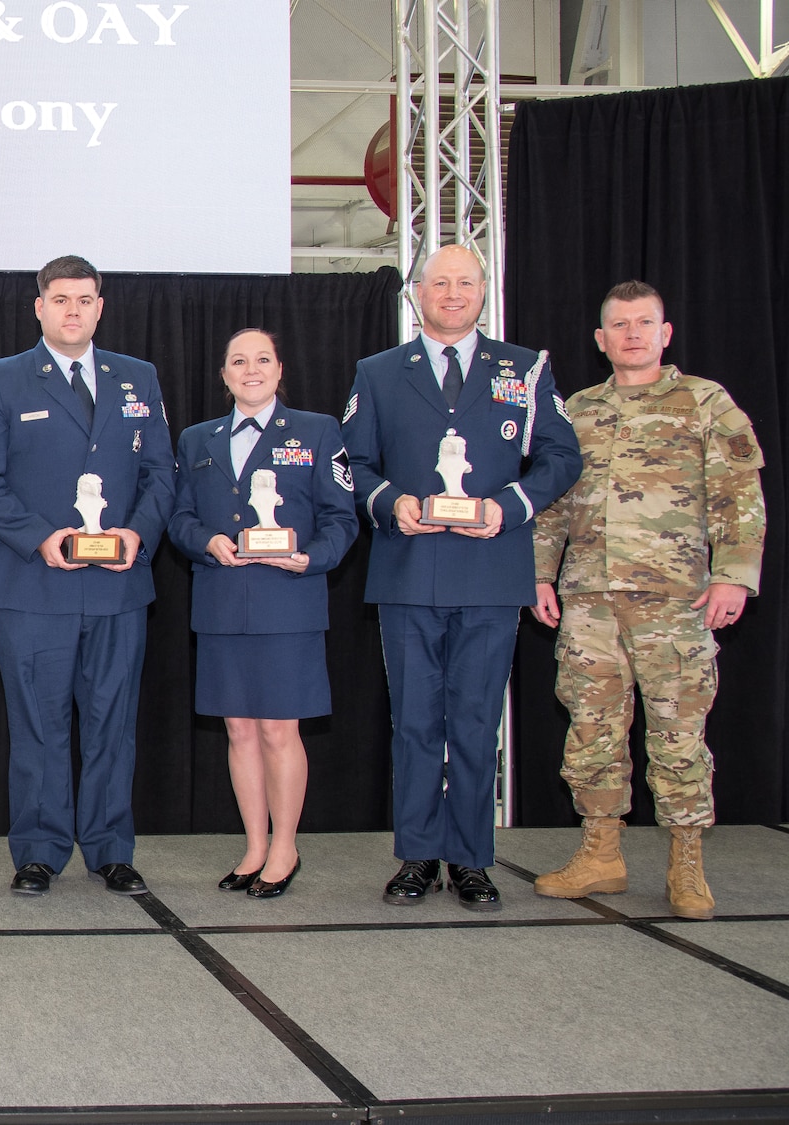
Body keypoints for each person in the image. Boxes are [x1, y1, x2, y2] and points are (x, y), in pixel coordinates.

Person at [342, 244, 581, 910]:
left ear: (483, 289)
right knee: (416, 720)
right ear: (417, 292)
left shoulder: (525, 369)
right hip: (409, 572)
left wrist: (509, 507)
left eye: (465, 282)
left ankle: (472, 859)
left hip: (491, 570)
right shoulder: (379, 372)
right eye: (439, 282)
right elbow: (352, 464)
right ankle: (417, 854)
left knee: (474, 722)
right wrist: (391, 501)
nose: (452, 293)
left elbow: (562, 457)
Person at [530, 281, 764, 920]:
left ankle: (686, 862)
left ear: (664, 333)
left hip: (676, 601)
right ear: (601, 340)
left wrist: (734, 576)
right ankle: (601, 855)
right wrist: (540, 574)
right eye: (618, 325)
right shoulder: (575, 410)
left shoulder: (704, 402)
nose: (631, 333)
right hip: (589, 601)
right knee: (593, 730)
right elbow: (553, 502)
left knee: (678, 734)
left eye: (644, 322)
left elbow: (738, 494)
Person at [0, 255, 176, 897]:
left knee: (112, 721)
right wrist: (38, 537)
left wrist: (139, 531)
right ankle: (40, 850)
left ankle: (110, 848)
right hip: (32, 586)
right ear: (39, 307)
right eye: (60, 299)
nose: (73, 310)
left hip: (118, 584)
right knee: (38, 723)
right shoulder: (0, 380)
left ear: (100, 306)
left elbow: (162, 472)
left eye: (84, 299)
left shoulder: (138, 378)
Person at [167, 329, 357, 899]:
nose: (251, 370)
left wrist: (310, 558)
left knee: (279, 730)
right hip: (223, 604)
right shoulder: (197, 438)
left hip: (287, 604)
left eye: (263, 360)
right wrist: (207, 541)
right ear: (224, 376)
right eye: (238, 362)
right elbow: (178, 517)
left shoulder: (319, 431)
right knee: (239, 730)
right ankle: (253, 844)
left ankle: (285, 846)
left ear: (280, 370)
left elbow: (342, 518)